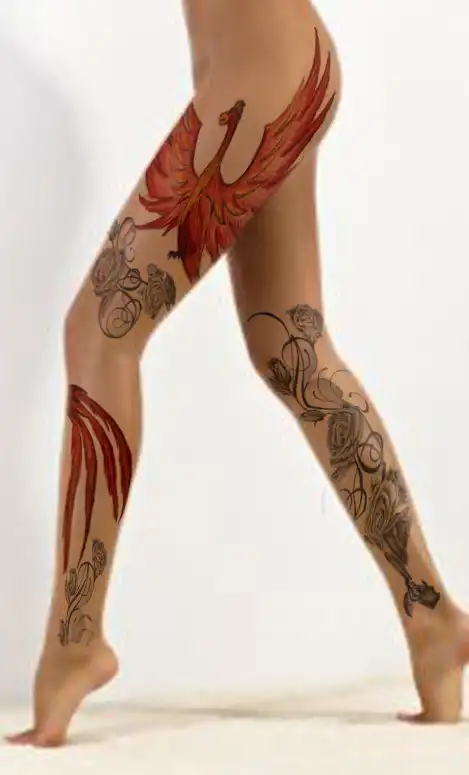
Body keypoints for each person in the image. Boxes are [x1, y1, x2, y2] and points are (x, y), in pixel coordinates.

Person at [7, 0, 469, 748]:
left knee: (99, 331)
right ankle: (433, 619)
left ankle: (74, 639)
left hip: (261, 80)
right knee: (291, 351)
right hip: (279, 69)